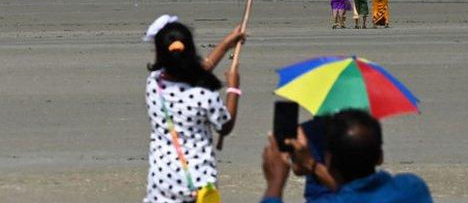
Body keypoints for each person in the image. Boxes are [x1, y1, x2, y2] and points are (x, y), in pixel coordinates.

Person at [143, 15, 244, 203]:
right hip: (197, 183)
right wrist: (233, 88)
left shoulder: (154, 83)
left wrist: (225, 45)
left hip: (162, 179)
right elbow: (225, 125)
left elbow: (196, 71)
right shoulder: (203, 95)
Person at [260, 109, 433, 202]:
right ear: (380, 155)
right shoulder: (412, 188)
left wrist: (275, 183)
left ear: (328, 160)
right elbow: (358, 193)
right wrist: (313, 165)